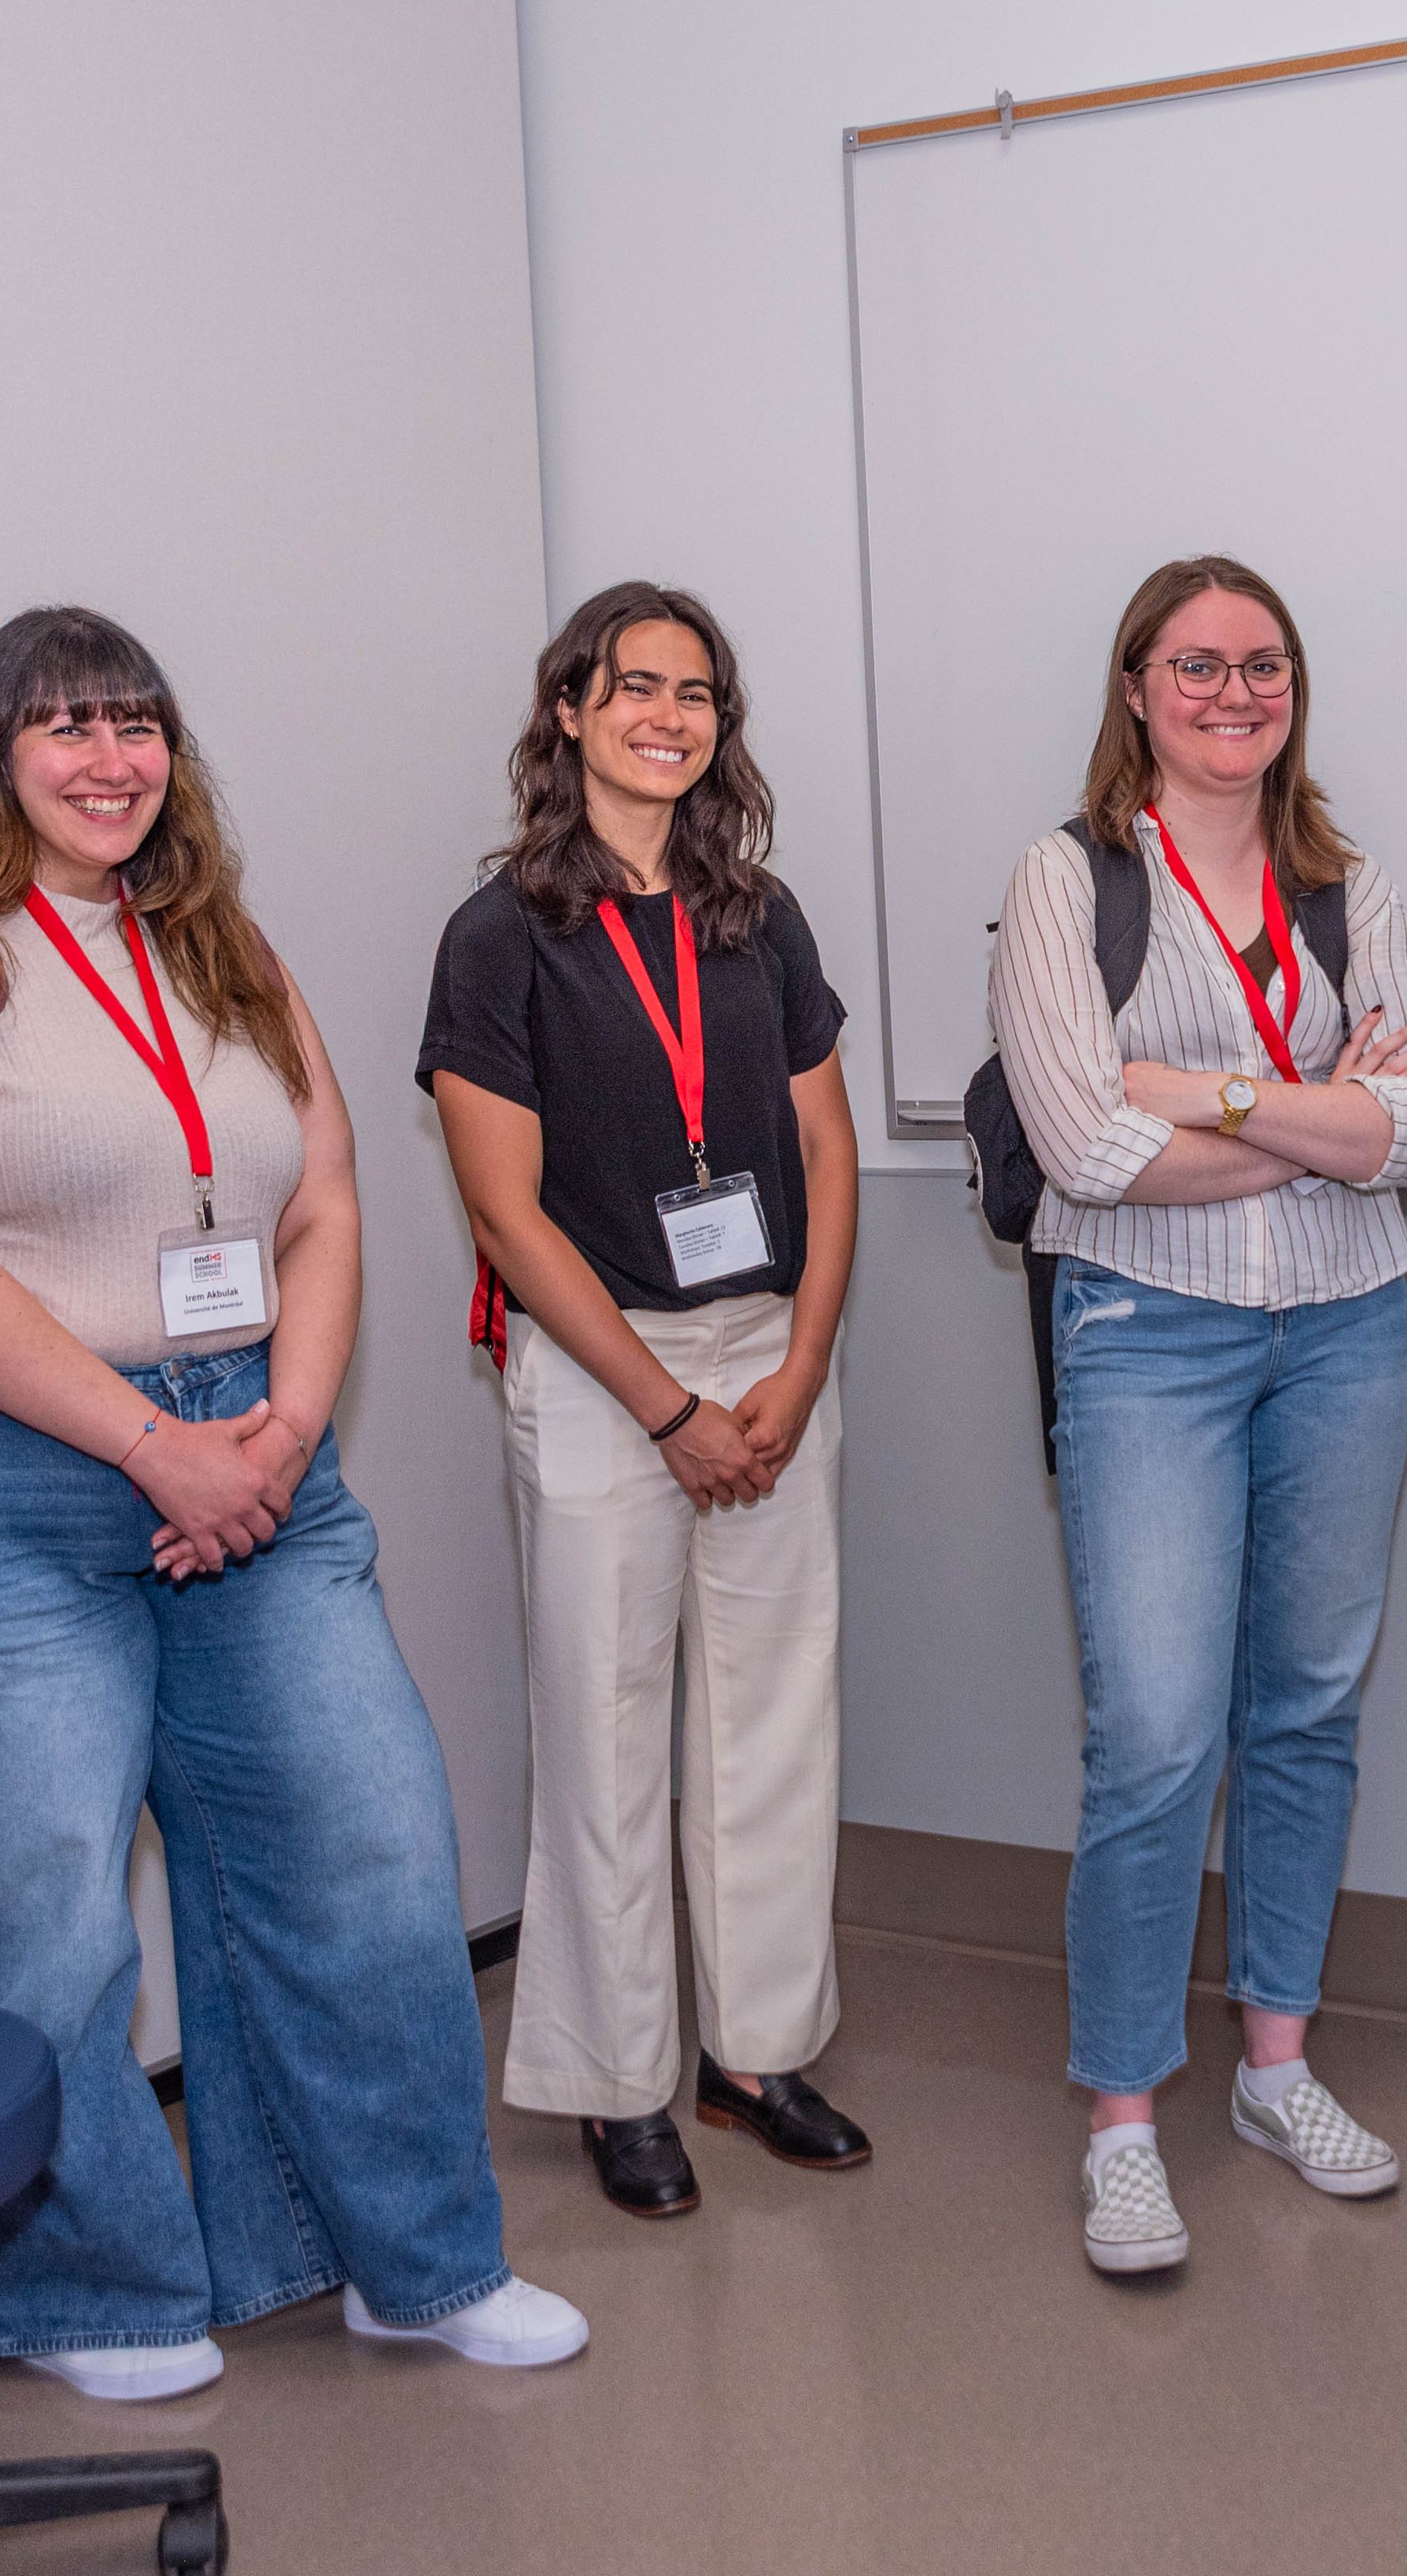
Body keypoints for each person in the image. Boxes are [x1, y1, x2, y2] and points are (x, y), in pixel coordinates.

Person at [0, 606, 587, 2397]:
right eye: (64, 725)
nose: (110, 758)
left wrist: (283, 1425)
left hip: (263, 1463)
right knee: (50, 1915)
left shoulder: (224, 946)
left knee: (375, 1860)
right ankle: (99, 2292)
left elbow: (321, 1194)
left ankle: (411, 2263)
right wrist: (149, 1443)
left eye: (137, 723)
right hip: (42, 1489)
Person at [419, 581, 870, 2216]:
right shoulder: (500, 936)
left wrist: (799, 1367)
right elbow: (504, 1212)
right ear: (570, 710)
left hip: (772, 1351)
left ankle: (757, 2054)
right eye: (635, 689)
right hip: (605, 1364)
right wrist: (670, 1411)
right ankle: (618, 2083)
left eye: (696, 695)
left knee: (774, 1713)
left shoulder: (761, 914)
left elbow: (827, 1148)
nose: (667, 719)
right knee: (606, 1729)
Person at [991, 553, 1407, 2275]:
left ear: (1292, 690)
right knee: (1159, 1731)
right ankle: (1123, 2117)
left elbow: (1403, 1139)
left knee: (1304, 1706)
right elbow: (1083, 1148)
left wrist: (1203, 1090)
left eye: (1263, 665)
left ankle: (1277, 2067)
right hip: (1146, 1335)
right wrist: (1315, 1118)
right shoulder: (1065, 878)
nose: (1234, 693)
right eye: (1198, 664)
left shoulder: (1355, 884)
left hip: (1351, 1326)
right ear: (1138, 687)